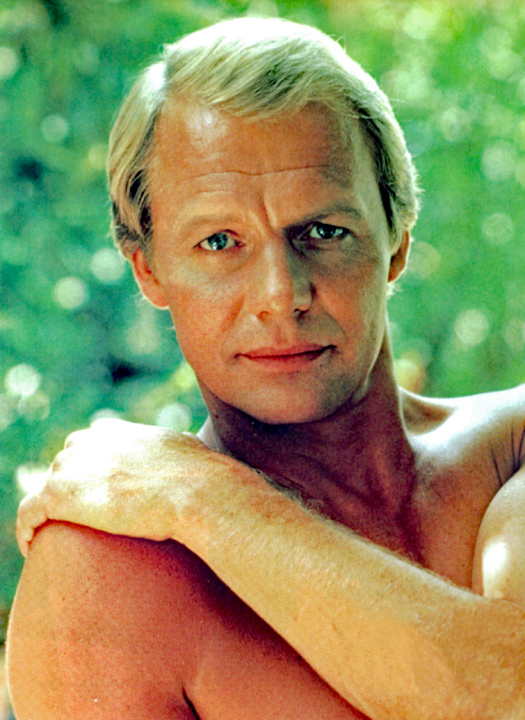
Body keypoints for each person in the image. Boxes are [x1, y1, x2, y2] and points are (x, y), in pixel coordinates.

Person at [6, 16, 525, 720]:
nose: (282, 294)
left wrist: (205, 497)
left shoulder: (511, 452)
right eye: (219, 242)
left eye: (323, 232)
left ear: (397, 240)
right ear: (148, 269)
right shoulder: (106, 575)